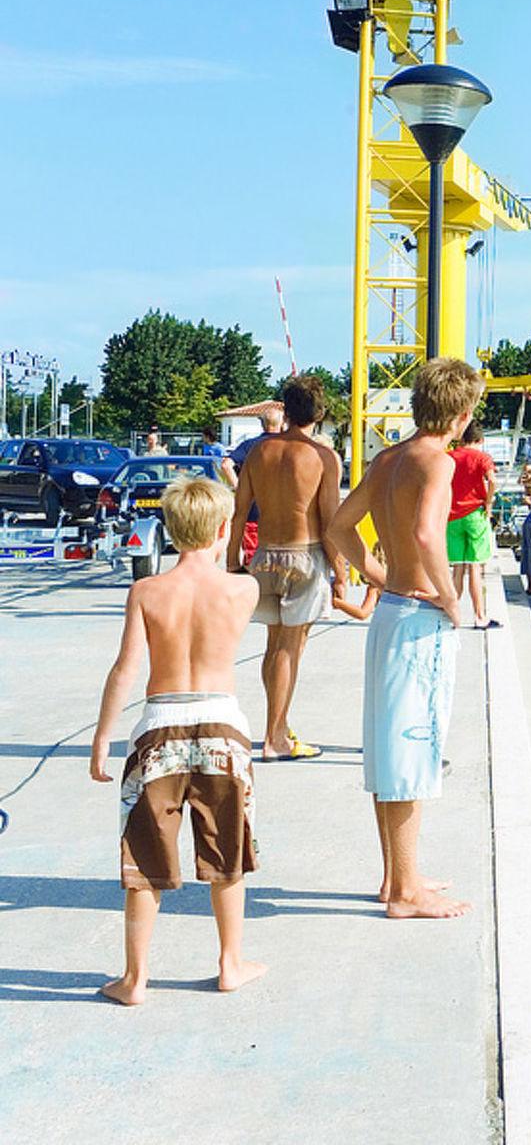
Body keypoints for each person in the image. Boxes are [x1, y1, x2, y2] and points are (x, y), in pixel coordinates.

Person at [89, 474, 265, 1005]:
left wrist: (102, 738)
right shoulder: (243, 588)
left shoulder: (146, 591)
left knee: (144, 859)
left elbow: (125, 668)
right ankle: (230, 963)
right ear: (222, 527)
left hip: (157, 729)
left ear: (167, 527)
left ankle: (135, 979)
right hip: (222, 727)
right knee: (226, 851)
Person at [325, 357, 483, 920]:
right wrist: (447, 595)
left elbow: (339, 527)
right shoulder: (437, 463)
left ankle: (398, 876)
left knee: (390, 752)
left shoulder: (388, 458)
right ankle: (407, 892)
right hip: (419, 619)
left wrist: (378, 574)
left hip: (391, 610)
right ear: (462, 415)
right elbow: (425, 533)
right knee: (414, 751)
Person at [230, 375, 339, 762]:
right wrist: (341, 571)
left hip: (264, 554)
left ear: (285, 410)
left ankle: (279, 723)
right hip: (304, 555)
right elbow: (329, 522)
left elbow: (240, 510)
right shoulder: (323, 457)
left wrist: (232, 561)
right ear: (319, 412)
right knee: (290, 650)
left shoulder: (260, 452)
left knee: (274, 646)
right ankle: (274, 735)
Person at [446, 421, 497, 628]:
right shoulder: (482, 458)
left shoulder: (449, 457)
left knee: (457, 568)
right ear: (481, 440)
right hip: (475, 514)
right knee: (475, 567)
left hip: (452, 516)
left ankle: (452, 615)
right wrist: (488, 502)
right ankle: (479, 617)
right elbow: (492, 481)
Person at [229, 407, 284, 563]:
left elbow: (226, 464)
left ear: (262, 424)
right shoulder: (289, 445)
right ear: (282, 423)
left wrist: (240, 488)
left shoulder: (249, 445)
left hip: (254, 508)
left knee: (253, 557)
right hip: (283, 509)